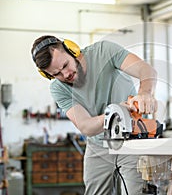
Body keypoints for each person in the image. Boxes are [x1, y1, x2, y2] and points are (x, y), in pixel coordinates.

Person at [31, 35, 158, 195]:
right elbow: (86, 126)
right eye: (57, 74)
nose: (66, 75)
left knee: (135, 192)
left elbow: (146, 70)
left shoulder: (104, 52)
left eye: (65, 65)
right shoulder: (58, 88)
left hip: (131, 140)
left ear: (72, 50)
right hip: (98, 146)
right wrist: (116, 112)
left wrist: (145, 93)